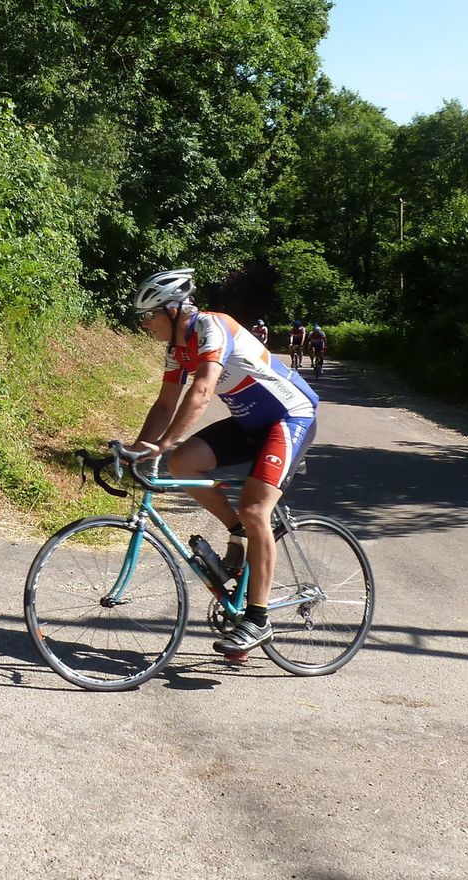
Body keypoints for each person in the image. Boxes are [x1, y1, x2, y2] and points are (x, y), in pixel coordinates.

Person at [128, 268, 319, 655]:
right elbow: (165, 404)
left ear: (173, 310)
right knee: (183, 464)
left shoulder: (212, 327)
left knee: (255, 507)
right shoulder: (177, 349)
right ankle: (239, 532)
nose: (144, 323)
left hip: (289, 416)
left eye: (149, 315)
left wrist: (163, 443)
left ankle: (258, 620)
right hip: (251, 424)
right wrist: (136, 450)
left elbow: (201, 391)